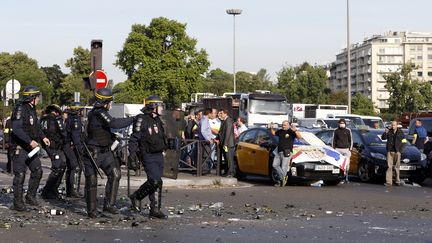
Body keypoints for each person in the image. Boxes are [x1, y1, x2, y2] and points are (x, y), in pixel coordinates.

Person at [84, 88, 134, 218]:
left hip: (105, 151)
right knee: (92, 180)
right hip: (94, 152)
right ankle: (92, 210)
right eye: (110, 102)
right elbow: (114, 123)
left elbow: (103, 129)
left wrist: (112, 137)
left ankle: (109, 205)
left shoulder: (100, 112)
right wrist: (132, 119)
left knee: (115, 174)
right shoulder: (98, 113)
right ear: (105, 102)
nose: (111, 104)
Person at [10, 86, 50, 211]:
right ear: (31, 98)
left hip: (31, 148)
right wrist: (29, 141)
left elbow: (36, 127)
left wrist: (43, 137)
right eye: (37, 96)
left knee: (37, 171)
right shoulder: (20, 108)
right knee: (20, 174)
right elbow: (16, 129)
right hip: (20, 147)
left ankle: (30, 197)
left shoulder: (32, 109)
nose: (39, 99)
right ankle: (18, 203)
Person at [128, 95, 168, 219]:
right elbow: (134, 138)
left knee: (158, 182)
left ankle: (155, 209)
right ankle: (137, 196)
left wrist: (166, 146)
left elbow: (160, 136)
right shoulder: (141, 119)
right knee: (154, 180)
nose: (162, 108)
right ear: (152, 106)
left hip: (158, 154)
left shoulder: (158, 120)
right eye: (159, 105)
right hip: (147, 154)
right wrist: (133, 154)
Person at [40, 104, 68, 200]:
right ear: (56, 112)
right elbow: (59, 133)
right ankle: (48, 191)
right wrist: (63, 140)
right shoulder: (55, 119)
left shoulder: (43, 119)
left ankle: (52, 190)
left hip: (48, 146)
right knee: (58, 166)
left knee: (62, 164)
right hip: (54, 146)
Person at [63, 102, 85, 198]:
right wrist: (80, 150)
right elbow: (76, 137)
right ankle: (73, 190)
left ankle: (70, 190)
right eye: (81, 110)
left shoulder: (71, 119)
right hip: (70, 146)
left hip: (68, 145)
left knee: (72, 167)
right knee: (76, 167)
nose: (82, 112)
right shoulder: (75, 120)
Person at [273, 120, 301, 187]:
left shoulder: (291, 132)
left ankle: (281, 181)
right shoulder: (280, 131)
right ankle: (283, 178)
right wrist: (271, 128)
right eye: (282, 125)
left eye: (285, 125)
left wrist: (295, 130)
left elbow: (299, 137)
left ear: (288, 125)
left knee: (284, 167)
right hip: (279, 151)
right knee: (274, 165)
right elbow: (274, 133)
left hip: (287, 152)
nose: (283, 126)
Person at [382, 121, 407, 186]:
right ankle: (389, 182)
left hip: (397, 151)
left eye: (394, 125)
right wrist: (385, 132)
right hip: (390, 151)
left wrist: (400, 150)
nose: (393, 126)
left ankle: (397, 181)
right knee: (389, 167)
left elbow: (404, 141)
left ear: (397, 125)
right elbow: (383, 138)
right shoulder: (389, 131)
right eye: (392, 125)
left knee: (397, 167)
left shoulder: (400, 132)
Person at [198, 108, 216, 173]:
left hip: (204, 141)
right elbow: (203, 131)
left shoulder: (204, 119)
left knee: (205, 155)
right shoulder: (205, 120)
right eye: (212, 114)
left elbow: (207, 131)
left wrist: (212, 138)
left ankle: (204, 169)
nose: (213, 115)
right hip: (205, 142)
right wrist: (208, 139)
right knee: (206, 156)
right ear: (209, 114)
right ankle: (204, 170)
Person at [218, 109, 235, 177]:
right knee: (226, 158)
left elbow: (227, 133)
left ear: (225, 113)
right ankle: (227, 172)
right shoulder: (225, 121)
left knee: (229, 159)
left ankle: (231, 173)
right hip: (226, 143)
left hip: (228, 144)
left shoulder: (228, 121)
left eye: (221, 113)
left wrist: (225, 144)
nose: (220, 115)